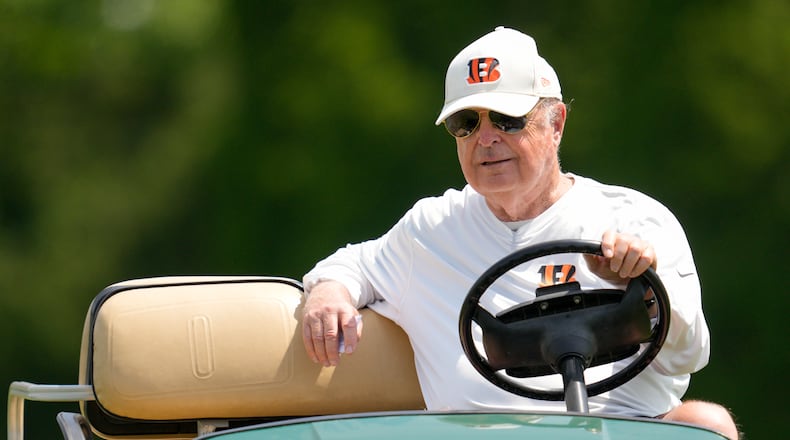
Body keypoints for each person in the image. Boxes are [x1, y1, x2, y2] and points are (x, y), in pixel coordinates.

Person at [301, 26, 739, 439]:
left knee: (707, 423)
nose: (485, 139)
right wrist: (329, 293)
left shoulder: (635, 220)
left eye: (507, 119)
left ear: (556, 124)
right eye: (466, 123)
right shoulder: (429, 229)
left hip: (619, 429)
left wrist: (641, 286)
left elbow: (689, 354)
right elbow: (350, 265)